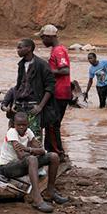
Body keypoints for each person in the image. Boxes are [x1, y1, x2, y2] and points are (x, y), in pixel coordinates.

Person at [0, 112, 68, 213]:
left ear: (28, 124)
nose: (21, 127)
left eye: (24, 125)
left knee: (54, 156)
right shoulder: (12, 133)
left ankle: (50, 191)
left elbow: (42, 150)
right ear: (14, 124)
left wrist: (27, 149)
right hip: (7, 168)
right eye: (19, 125)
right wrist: (33, 151)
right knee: (32, 159)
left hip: (22, 164)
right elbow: (21, 155)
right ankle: (37, 198)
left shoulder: (28, 132)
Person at [13, 38, 55, 141]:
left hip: (33, 105)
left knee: (34, 136)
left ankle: (36, 156)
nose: (17, 50)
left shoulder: (41, 65)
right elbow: (19, 85)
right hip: (20, 105)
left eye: (20, 47)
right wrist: (14, 102)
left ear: (29, 48)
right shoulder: (21, 65)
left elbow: (50, 86)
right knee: (18, 135)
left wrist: (40, 106)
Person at [39, 24, 70, 160]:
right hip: (60, 91)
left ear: (49, 37)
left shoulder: (58, 51)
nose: (42, 41)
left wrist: (46, 71)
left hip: (59, 92)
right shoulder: (56, 49)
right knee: (53, 124)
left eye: (43, 38)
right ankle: (53, 151)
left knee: (52, 124)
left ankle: (57, 153)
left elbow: (65, 70)